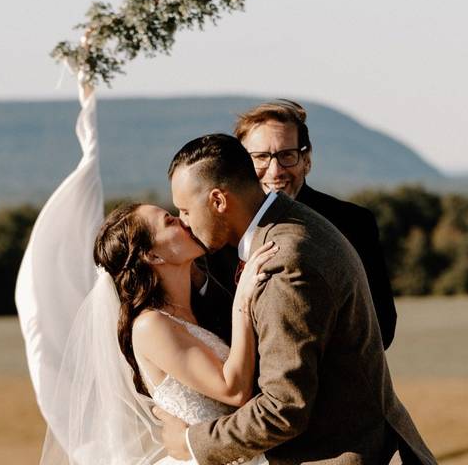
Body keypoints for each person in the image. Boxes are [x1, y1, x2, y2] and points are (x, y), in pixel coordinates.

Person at [157, 133, 436, 464]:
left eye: (186, 210)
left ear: (218, 200)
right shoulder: (290, 220)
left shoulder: (285, 261)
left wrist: (192, 443)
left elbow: (284, 408)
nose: (184, 223)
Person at [78, 201, 275, 465]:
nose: (183, 221)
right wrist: (243, 301)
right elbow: (233, 390)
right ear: (154, 256)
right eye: (169, 221)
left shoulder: (196, 307)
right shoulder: (151, 326)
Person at [198, 99, 398, 349]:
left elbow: (382, 326)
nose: (275, 170)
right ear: (240, 166)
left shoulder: (353, 222)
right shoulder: (219, 230)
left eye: (287, 156)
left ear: (306, 160)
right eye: (260, 157)